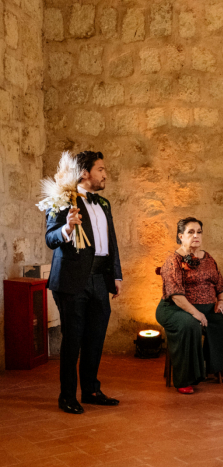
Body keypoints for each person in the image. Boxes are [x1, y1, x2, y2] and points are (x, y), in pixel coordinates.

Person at [45, 151, 122, 414]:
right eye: (101, 169)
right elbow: (50, 238)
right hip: (72, 281)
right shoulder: (62, 199)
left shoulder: (104, 204)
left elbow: (111, 242)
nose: (105, 174)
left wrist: (116, 275)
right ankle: (67, 396)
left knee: (95, 338)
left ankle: (90, 390)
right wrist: (66, 228)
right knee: (73, 340)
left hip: (100, 279)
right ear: (85, 173)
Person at [156, 217, 223, 394]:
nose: (196, 235)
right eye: (191, 232)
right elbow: (176, 295)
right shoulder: (173, 261)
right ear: (181, 236)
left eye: (199, 232)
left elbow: (220, 284)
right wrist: (196, 313)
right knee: (190, 325)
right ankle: (185, 379)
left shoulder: (208, 258)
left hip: (207, 307)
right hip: (176, 309)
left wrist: (221, 302)